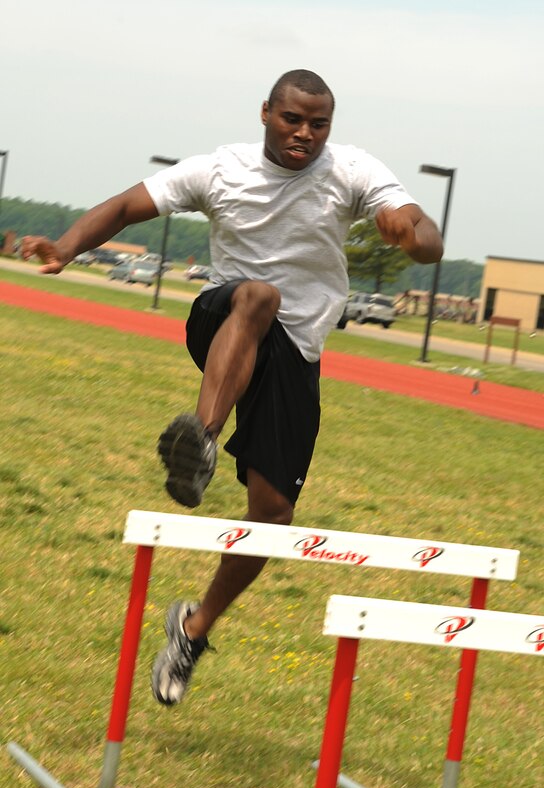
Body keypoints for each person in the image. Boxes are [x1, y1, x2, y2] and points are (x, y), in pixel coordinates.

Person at [22, 69, 443, 707]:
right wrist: (69, 247)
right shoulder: (221, 170)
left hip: (294, 351)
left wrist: (414, 238)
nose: (305, 134)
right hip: (226, 320)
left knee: (273, 515)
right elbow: (125, 206)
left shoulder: (353, 170)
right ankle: (202, 439)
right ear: (266, 112)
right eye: (292, 119)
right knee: (260, 294)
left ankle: (193, 629)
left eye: (319, 124)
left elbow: (421, 230)